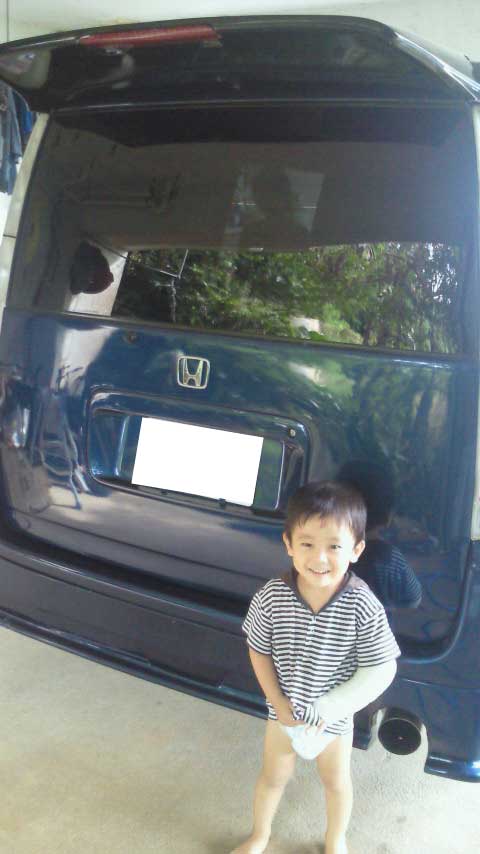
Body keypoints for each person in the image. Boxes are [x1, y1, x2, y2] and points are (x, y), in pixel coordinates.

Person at [231, 481, 401, 854]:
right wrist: (278, 702)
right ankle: (259, 835)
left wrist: (331, 709)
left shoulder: (362, 604)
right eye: (307, 544)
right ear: (289, 544)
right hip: (283, 713)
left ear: (356, 550)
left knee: (336, 782)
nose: (319, 558)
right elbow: (258, 650)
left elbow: (382, 668)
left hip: (333, 723)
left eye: (334, 546)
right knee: (272, 777)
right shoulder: (272, 595)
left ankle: (336, 840)